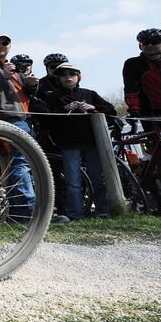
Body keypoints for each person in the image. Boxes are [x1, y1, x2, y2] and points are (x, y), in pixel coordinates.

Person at [0, 33, 46, 221]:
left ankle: (16, 211)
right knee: (19, 164)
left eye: (5, 42)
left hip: (22, 120)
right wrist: (4, 77)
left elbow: (27, 98)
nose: (1, 45)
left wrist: (32, 85)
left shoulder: (15, 70)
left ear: (10, 46)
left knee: (16, 165)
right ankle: (27, 212)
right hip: (4, 121)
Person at [42, 63, 116, 220]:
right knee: (73, 182)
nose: (68, 77)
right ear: (59, 78)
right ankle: (75, 214)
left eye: (72, 74)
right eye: (63, 74)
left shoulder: (89, 94)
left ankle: (102, 211)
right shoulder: (53, 97)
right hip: (68, 144)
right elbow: (45, 119)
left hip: (92, 143)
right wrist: (64, 109)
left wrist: (92, 107)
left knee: (98, 179)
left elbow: (111, 111)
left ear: (78, 77)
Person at [122, 28, 161, 130]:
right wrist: (134, 110)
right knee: (158, 144)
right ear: (140, 45)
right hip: (151, 114)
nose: (150, 45)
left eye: (155, 42)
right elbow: (131, 90)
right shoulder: (132, 64)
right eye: (145, 42)